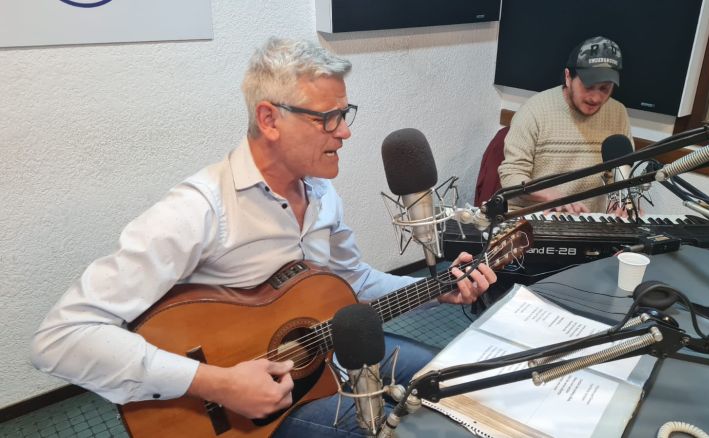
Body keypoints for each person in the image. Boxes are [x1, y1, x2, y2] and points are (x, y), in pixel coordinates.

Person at [30, 37, 496, 436]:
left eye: (345, 112)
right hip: (247, 412)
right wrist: (216, 383)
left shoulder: (322, 194)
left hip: (329, 359)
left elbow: (355, 283)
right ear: (270, 119)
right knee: (421, 427)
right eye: (329, 117)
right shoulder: (198, 210)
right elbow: (59, 339)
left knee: (457, 381)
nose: (347, 131)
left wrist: (438, 291)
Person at [498, 36, 633, 214]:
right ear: (568, 77)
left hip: (589, 222)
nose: (596, 98)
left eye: (604, 89)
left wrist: (624, 202)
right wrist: (547, 194)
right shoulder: (534, 111)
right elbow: (510, 176)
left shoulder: (617, 113)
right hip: (535, 222)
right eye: (588, 86)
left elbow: (619, 175)